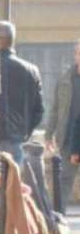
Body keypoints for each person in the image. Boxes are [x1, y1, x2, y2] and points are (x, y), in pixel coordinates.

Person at [0, 21, 44, 165]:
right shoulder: (31, 70)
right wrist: (25, 132)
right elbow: (39, 111)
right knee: (13, 183)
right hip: (17, 140)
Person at [45, 39, 80, 213]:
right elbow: (55, 109)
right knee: (64, 181)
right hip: (67, 138)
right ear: (75, 55)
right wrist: (48, 134)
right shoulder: (65, 79)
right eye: (79, 53)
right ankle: (59, 218)